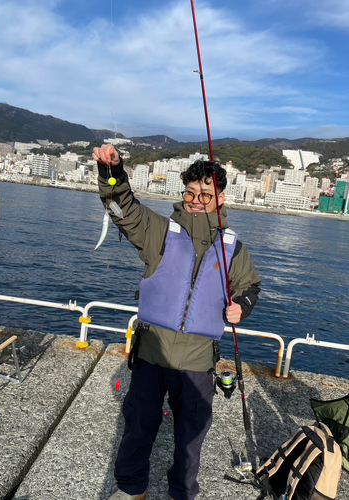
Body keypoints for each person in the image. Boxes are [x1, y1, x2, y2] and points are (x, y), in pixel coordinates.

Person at [93, 144, 261, 500]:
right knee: (138, 430)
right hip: (152, 356)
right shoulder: (159, 231)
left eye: (204, 194)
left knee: (190, 441)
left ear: (220, 197)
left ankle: (181, 493)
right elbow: (121, 209)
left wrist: (241, 306)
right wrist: (112, 173)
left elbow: (250, 287)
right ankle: (130, 488)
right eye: (189, 192)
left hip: (199, 365)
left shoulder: (234, 248)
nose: (195, 200)